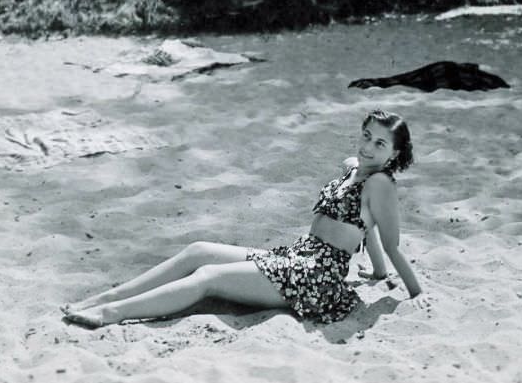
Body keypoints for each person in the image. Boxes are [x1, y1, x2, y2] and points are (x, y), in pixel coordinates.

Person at [62, 109, 423, 328]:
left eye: (380, 144)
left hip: (315, 277)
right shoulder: (351, 168)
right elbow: (367, 226)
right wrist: (376, 274)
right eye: (366, 136)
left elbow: (390, 243)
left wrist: (416, 293)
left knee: (208, 277)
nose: (368, 147)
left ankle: (114, 313)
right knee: (198, 250)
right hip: (297, 256)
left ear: (394, 155)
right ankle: (107, 296)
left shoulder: (381, 184)